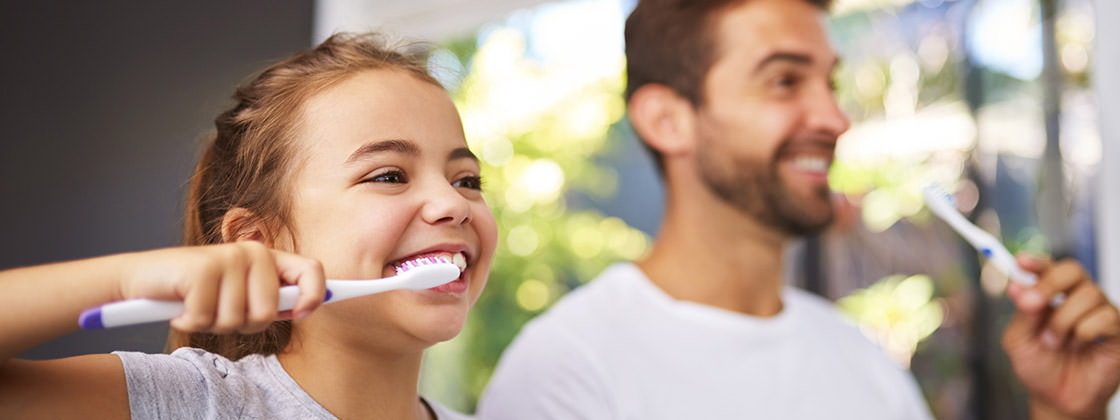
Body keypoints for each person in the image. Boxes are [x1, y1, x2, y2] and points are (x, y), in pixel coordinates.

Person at [476, 0, 1120, 419]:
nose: (835, 117)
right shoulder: (565, 373)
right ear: (668, 119)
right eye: (785, 80)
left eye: (830, 83)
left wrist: (1065, 413)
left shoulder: (860, 362)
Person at [0, 32, 497, 420]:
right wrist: (122, 281)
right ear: (259, 242)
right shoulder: (187, 404)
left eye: (467, 179)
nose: (452, 203)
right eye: (389, 175)